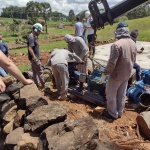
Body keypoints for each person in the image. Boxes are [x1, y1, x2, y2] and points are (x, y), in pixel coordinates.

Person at [103, 22, 137, 120]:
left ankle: (112, 113)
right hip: (127, 74)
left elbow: (112, 63)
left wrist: (105, 73)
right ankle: (120, 112)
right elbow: (133, 60)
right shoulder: (133, 43)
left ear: (118, 32)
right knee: (122, 94)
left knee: (111, 94)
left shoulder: (117, 45)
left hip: (116, 75)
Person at [27, 23, 45, 88]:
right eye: (39, 31)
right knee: (40, 72)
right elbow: (30, 48)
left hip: (34, 58)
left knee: (35, 72)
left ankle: (36, 85)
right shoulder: (31, 37)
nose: (39, 33)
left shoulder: (33, 36)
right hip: (35, 58)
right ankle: (43, 85)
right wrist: (35, 57)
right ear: (35, 30)